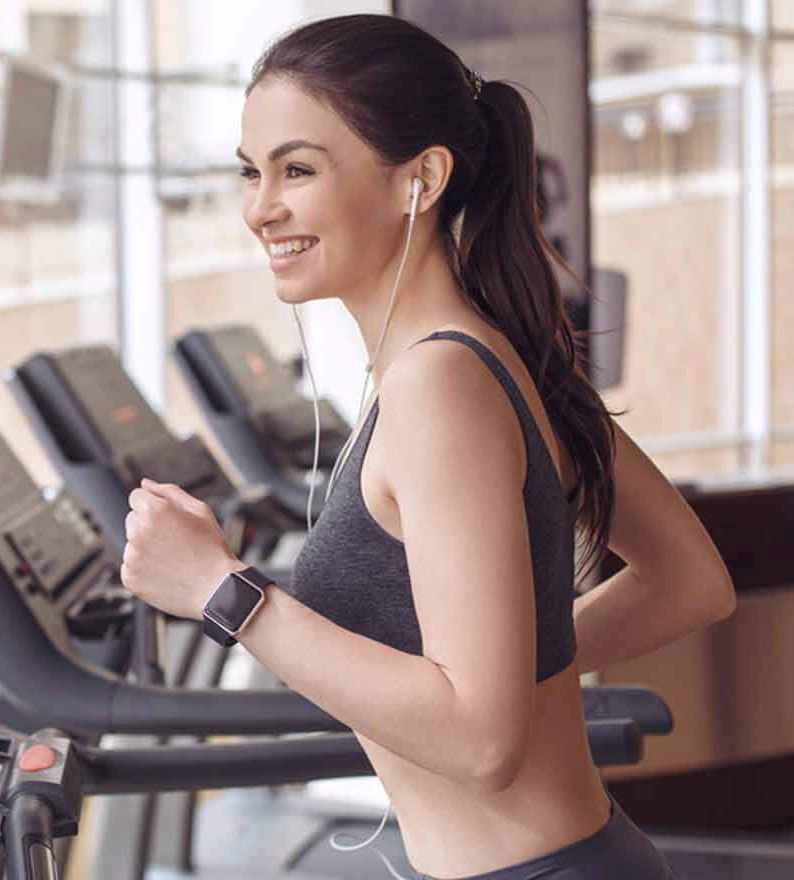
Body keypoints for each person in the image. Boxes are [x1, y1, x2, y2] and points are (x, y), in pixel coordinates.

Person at [119, 14, 734, 880]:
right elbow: (693, 582)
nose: (261, 208)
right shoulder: (490, 351)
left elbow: (483, 744)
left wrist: (225, 594)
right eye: (252, 173)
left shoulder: (439, 387)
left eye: (298, 169)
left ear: (420, 180)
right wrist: (517, 661)